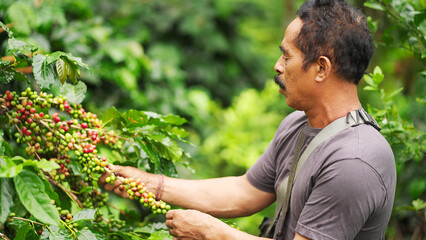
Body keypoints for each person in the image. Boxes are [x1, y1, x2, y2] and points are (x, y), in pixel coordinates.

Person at [99, 0, 396, 239]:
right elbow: (244, 192)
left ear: (321, 68)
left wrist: (214, 233)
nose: (277, 66)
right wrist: (152, 184)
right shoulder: (297, 125)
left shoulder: (354, 161)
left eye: (287, 56)